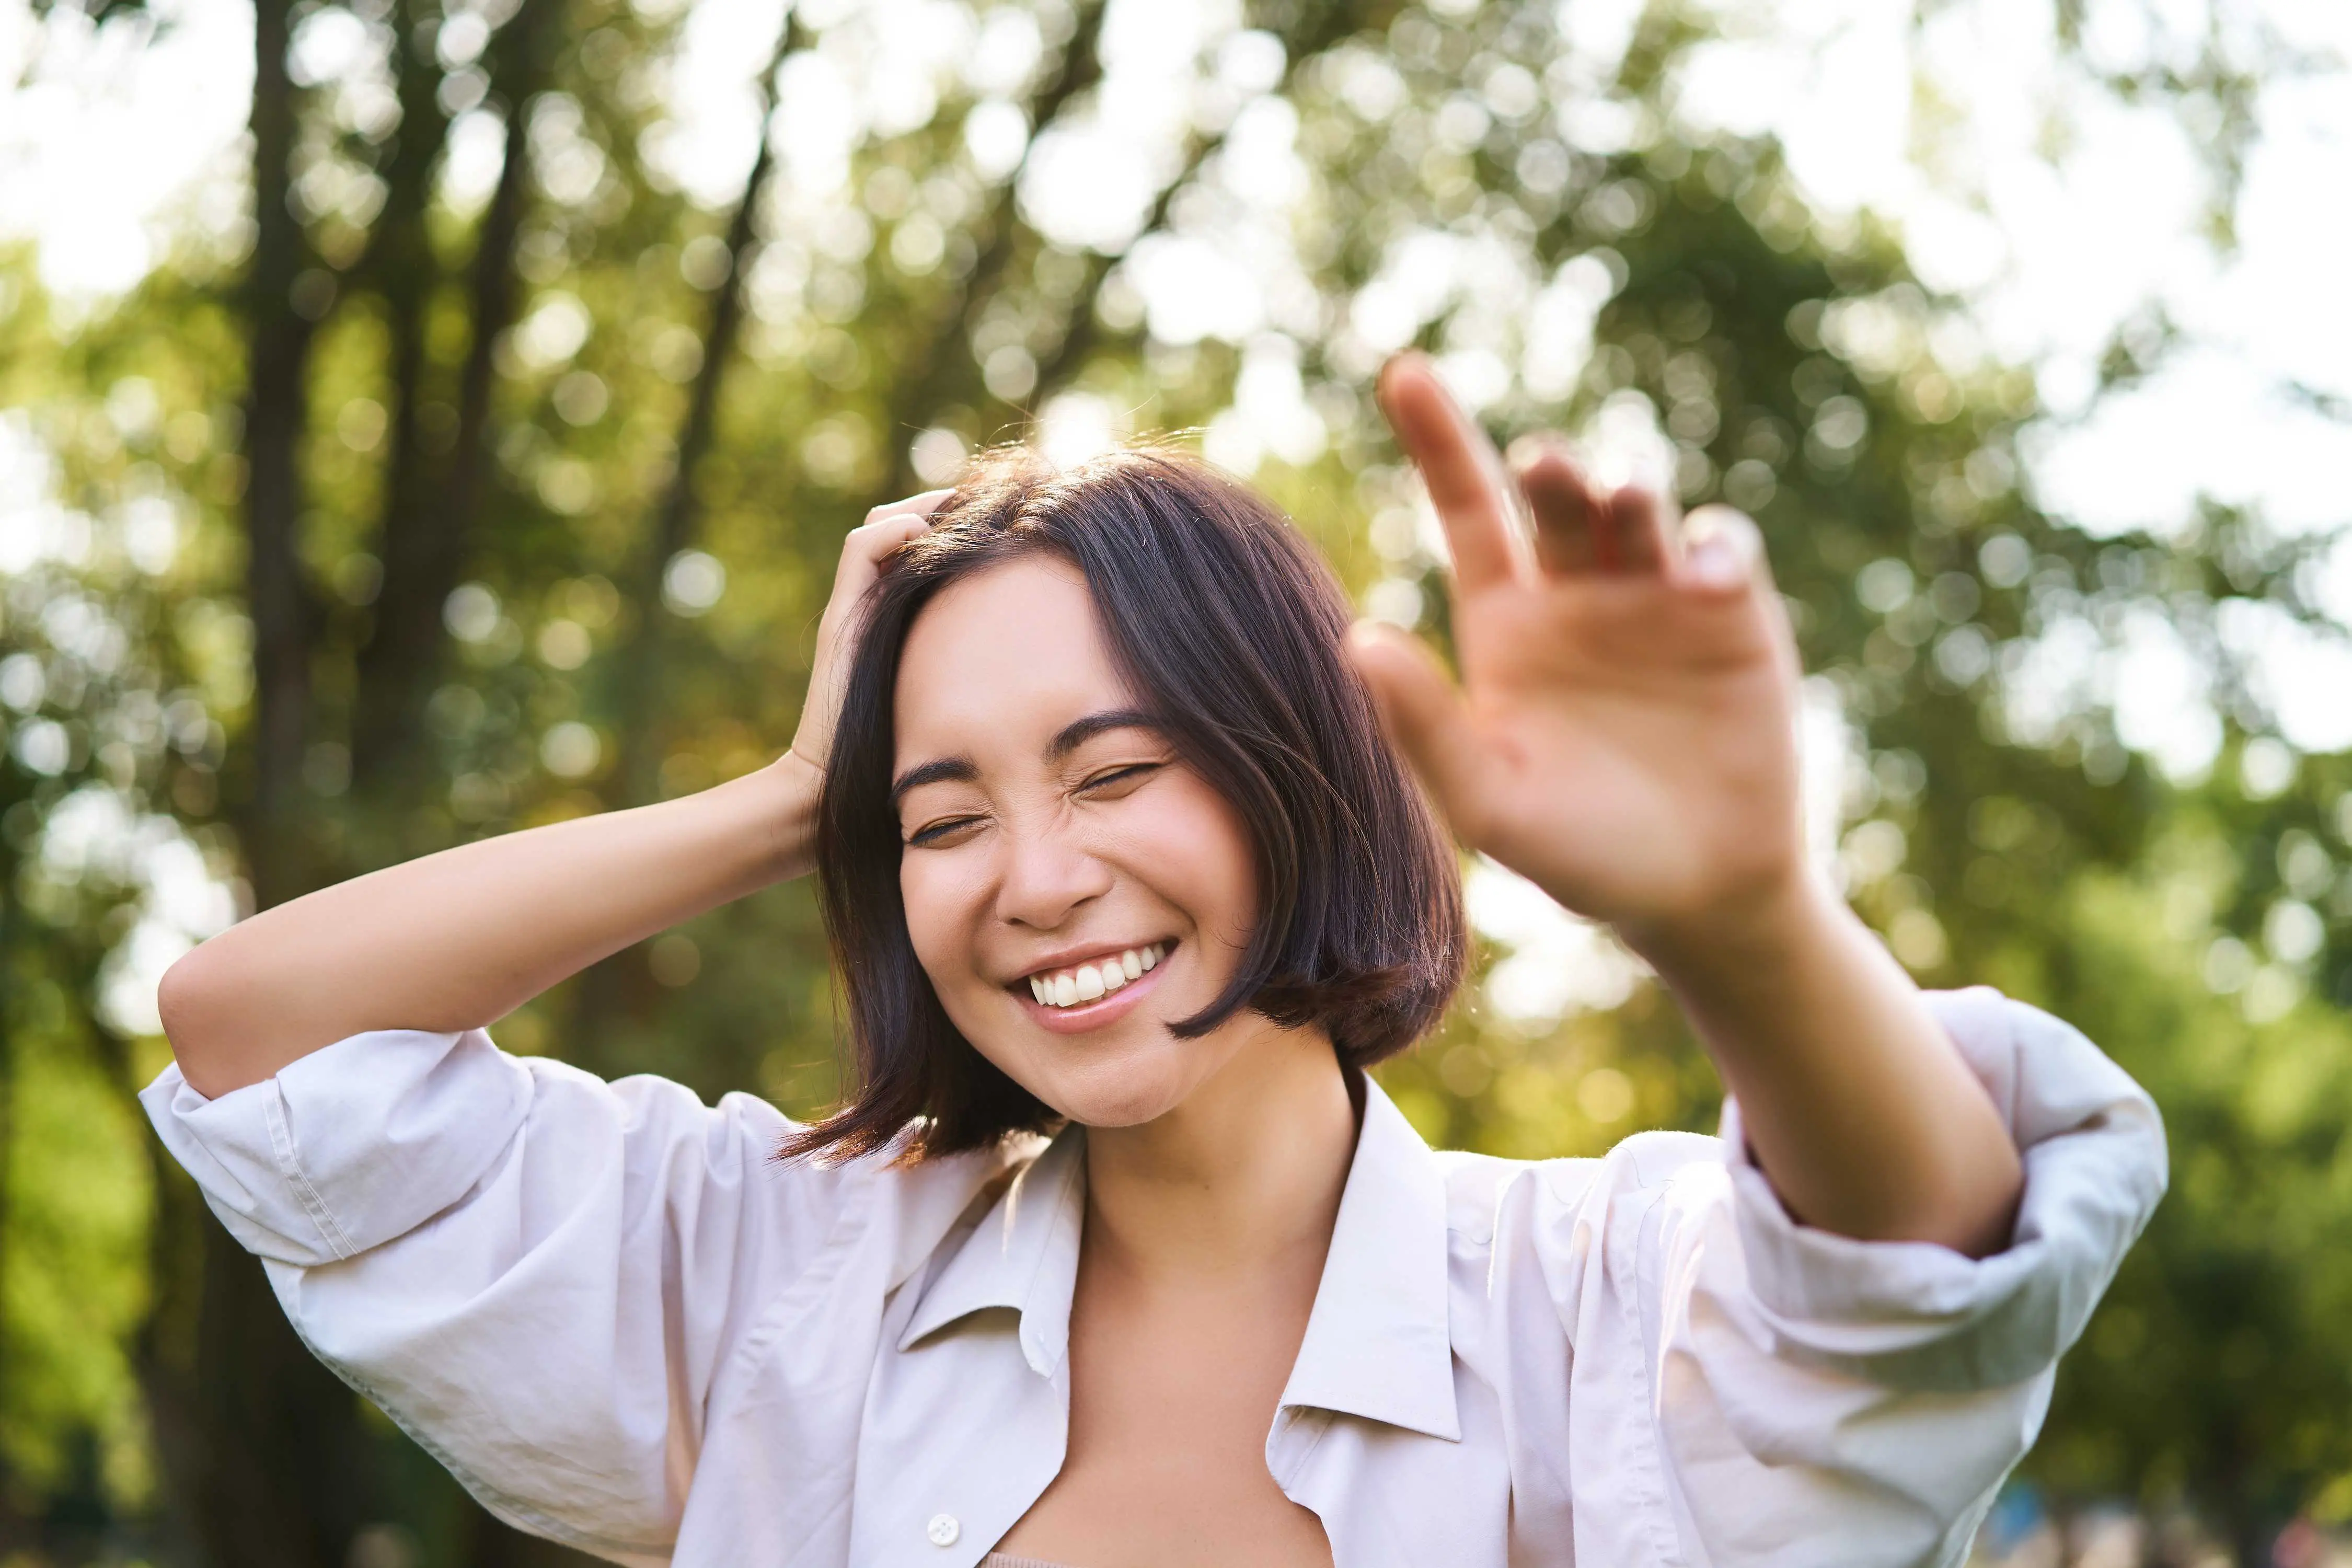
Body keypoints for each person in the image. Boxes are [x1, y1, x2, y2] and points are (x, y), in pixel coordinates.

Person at [143, 355, 2165, 1567]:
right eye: (944, 820)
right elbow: (261, 1048)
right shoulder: (788, 1284)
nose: (1031, 880)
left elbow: (1921, 1276)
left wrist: (1744, 924)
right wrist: (798, 794)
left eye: (1116, 773)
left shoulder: (1588, 1309)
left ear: (1295, 768)